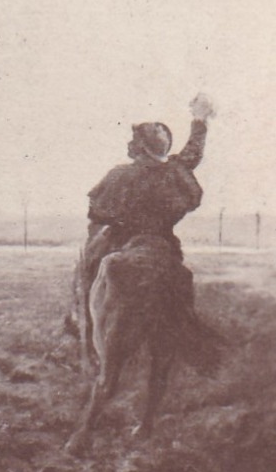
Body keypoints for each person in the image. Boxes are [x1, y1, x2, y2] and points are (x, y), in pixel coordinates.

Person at [78, 94, 213, 313]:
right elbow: (193, 153)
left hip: (122, 241)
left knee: (92, 270)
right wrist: (200, 120)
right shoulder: (175, 170)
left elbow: (97, 213)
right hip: (162, 242)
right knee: (179, 279)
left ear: (139, 147)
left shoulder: (120, 174)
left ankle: (83, 318)